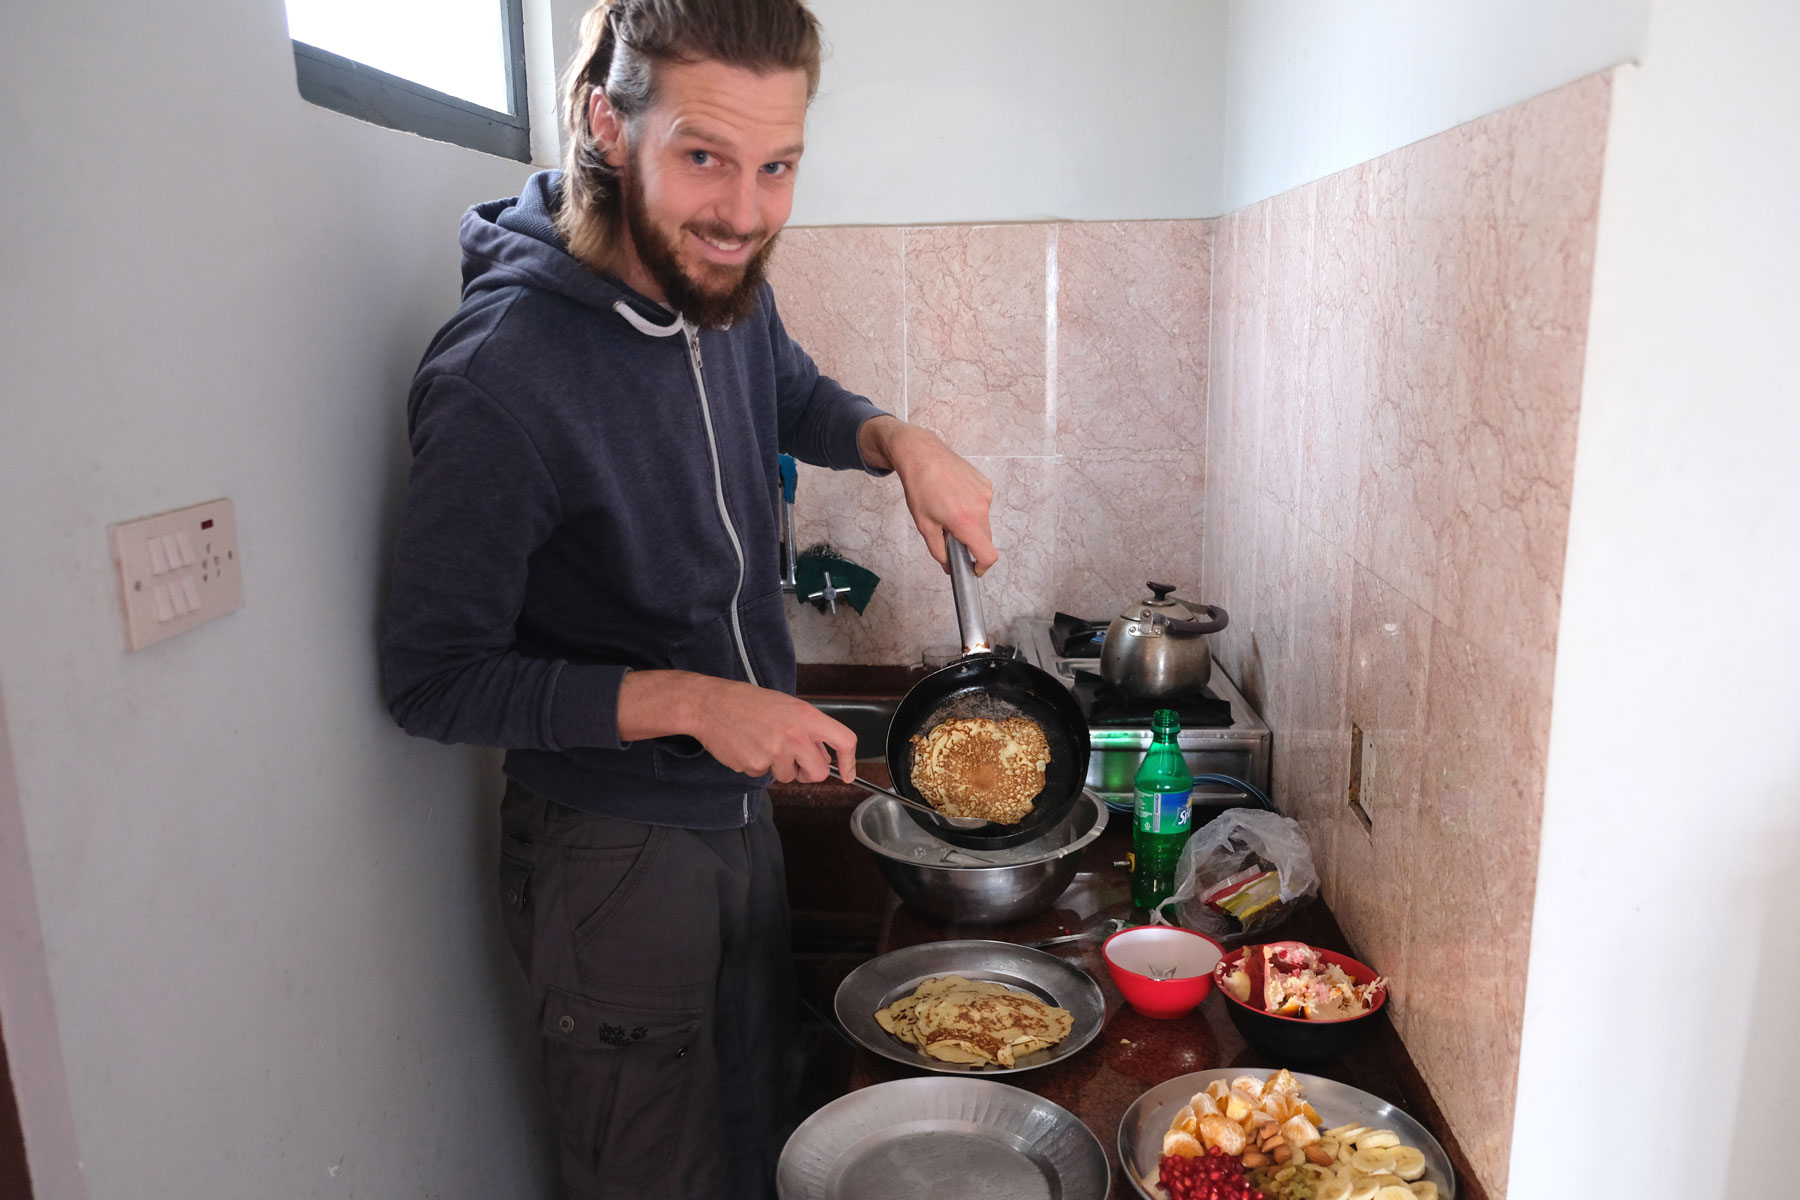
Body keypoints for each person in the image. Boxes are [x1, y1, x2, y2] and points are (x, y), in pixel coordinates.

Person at [378, 0, 997, 1196]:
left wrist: (895, 437)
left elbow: (793, 390)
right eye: (705, 157)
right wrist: (697, 703)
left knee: (757, 1128)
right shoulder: (500, 379)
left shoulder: (721, 285)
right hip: (610, 851)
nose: (746, 215)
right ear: (608, 124)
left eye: (778, 167)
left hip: (737, 814)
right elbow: (430, 679)